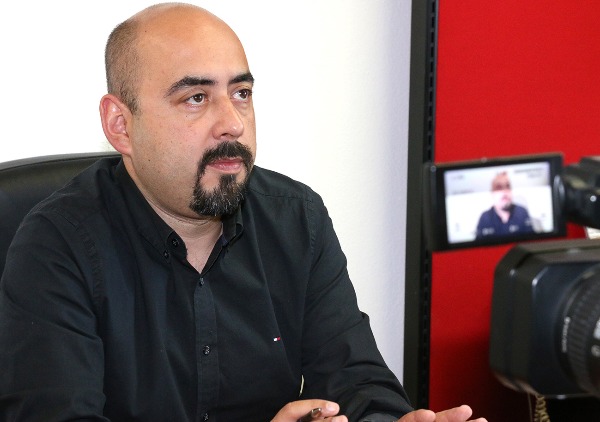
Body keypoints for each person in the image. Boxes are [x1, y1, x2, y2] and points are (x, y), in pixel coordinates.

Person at [0, 3, 486, 422]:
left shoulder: (297, 220)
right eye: (196, 98)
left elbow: (356, 380)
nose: (232, 123)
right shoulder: (56, 246)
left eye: (241, 94)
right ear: (121, 125)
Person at [475, 171, 534, 240]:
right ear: (492, 193)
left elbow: (531, 241)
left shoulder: (522, 212)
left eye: (507, 186)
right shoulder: (485, 218)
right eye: (499, 187)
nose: (505, 191)